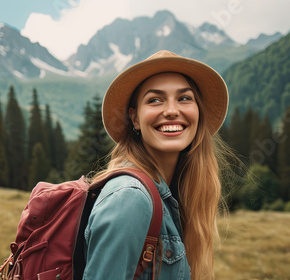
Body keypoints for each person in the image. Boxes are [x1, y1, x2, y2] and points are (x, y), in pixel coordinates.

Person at [82, 50, 230, 280]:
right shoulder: (130, 199)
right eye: (155, 100)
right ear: (135, 118)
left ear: (198, 112)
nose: (172, 111)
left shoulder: (174, 195)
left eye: (184, 98)